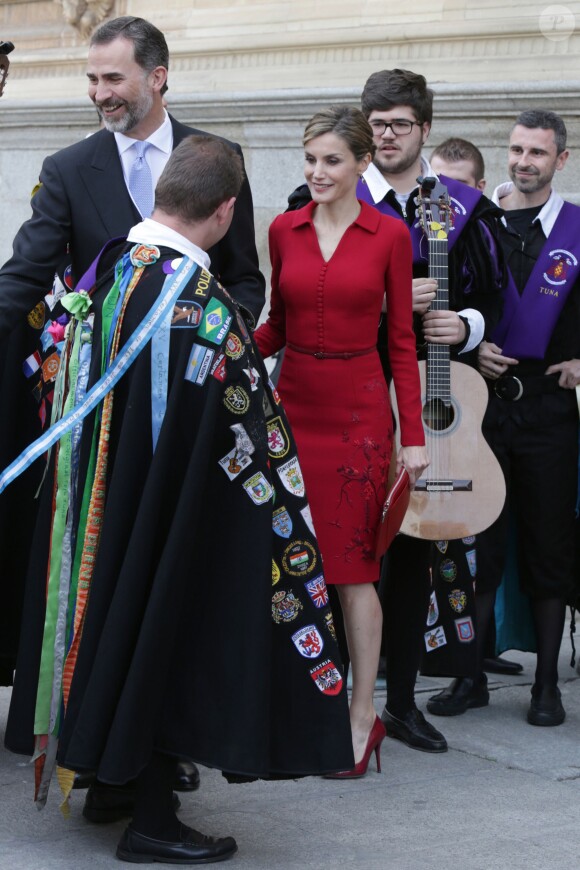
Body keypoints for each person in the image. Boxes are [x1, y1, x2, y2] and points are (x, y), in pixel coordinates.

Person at [2, 134, 354, 864]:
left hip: (101, 517)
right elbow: (253, 446)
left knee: (115, 622)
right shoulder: (205, 306)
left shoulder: (106, 278)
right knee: (165, 628)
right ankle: (153, 820)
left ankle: (114, 780)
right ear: (226, 213)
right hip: (169, 519)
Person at [0, 14, 265, 794]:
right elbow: (25, 278)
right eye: (91, 79)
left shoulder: (219, 162)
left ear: (158, 76)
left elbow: (245, 278)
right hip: (105, 428)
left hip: (192, 422)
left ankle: (166, 737)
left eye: (112, 78)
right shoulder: (68, 166)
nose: (98, 93)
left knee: (176, 585)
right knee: (101, 586)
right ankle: (101, 742)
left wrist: (215, 336)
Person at [254, 105, 428, 777]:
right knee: (293, 564)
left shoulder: (388, 236)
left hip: (359, 415)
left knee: (353, 572)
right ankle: (301, 710)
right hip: (293, 409)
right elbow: (276, 325)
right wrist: (223, 343)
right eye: (310, 160)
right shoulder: (283, 229)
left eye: (331, 160)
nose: (317, 172)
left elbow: (404, 345)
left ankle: (363, 716)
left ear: (362, 164)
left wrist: (410, 437)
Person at [355, 69, 505, 749]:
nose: (386, 136)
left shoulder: (463, 208)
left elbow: (495, 297)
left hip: (428, 396)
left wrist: (465, 326)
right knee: (347, 553)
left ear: (423, 128)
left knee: (413, 553)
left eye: (399, 124)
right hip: (355, 393)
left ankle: (402, 702)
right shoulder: (332, 195)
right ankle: (336, 701)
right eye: (376, 123)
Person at [429, 110, 580, 726]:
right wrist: (470, 341)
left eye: (538, 153)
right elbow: (443, 300)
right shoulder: (473, 224)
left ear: (560, 160)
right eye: (517, 149)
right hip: (482, 410)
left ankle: (546, 684)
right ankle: (470, 677)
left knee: (548, 547)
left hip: (547, 411)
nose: (524, 161)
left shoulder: (576, 231)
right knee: (478, 547)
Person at [430, 137, 524, 679]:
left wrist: (477, 337)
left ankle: (475, 649)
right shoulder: (419, 232)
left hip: (486, 405)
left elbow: (499, 306)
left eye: (460, 185)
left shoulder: (487, 233)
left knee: (482, 532)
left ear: (481, 188)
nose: (449, 196)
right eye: (439, 183)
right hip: (433, 398)